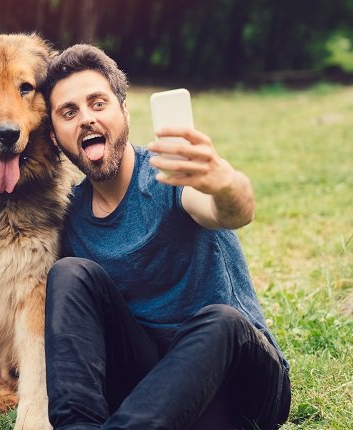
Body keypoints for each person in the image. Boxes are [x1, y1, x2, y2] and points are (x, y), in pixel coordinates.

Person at [41, 44, 291, 430]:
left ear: (124, 111)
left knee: (222, 321)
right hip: (150, 391)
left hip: (239, 383)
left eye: (98, 103)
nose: (86, 119)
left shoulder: (168, 177)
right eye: (68, 113)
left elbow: (231, 211)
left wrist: (226, 184)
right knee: (69, 273)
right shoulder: (70, 215)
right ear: (56, 137)